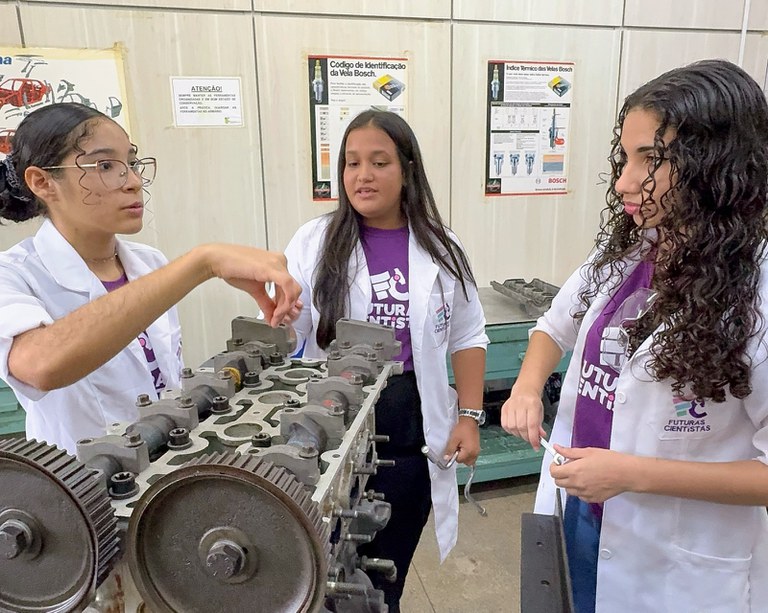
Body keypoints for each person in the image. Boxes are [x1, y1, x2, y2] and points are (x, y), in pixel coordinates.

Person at [501, 59, 768, 612]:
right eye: (625, 156)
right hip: (583, 513)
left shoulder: (757, 295)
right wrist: (527, 387)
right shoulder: (630, 252)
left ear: (715, 164)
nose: (624, 181)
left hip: (674, 561)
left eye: (650, 159)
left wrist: (632, 474)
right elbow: (555, 325)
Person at [0, 102, 300, 456]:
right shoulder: (16, 274)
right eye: (106, 166)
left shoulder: (147, 263)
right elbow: (39, 365)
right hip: (86, 486)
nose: (133, 182)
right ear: (42, 182)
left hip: (166, 464)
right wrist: (202, 264)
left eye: (131, 163)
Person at [284, 109, 488, 610]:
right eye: (352, 163)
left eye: (379, 162)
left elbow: (468, 332)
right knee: (323, 564)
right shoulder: (313, 242)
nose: (363, 175)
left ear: (407, 170)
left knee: (384, 566)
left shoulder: (442, 247)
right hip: (334, 421)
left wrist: (470, 416)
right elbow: (292, 338)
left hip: (411, 417)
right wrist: (281, 312)